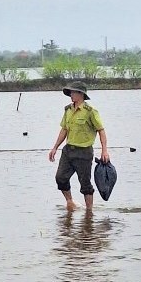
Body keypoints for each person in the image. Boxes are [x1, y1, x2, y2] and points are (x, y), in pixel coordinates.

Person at [48, 81, 110, 212]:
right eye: (70, 92)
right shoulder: (68, 110)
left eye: (73, 92)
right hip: (68, 151)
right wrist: (55, 148)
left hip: (84, 153)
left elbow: (101, 130)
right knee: (60, 178)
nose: (71, 95)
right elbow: (64, 129)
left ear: (81, 94)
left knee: (85, 185)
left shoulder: (90, 111)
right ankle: (70, 201)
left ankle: (89, 212)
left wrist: (104, 151)